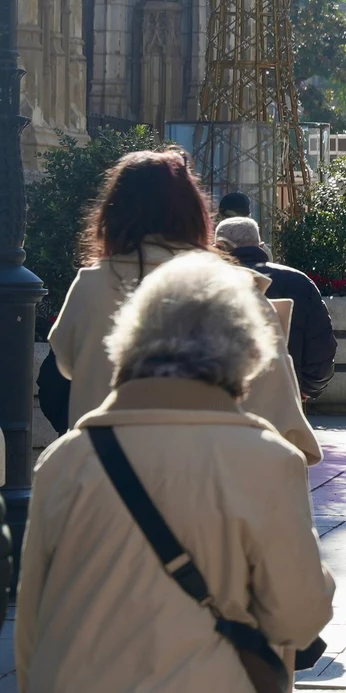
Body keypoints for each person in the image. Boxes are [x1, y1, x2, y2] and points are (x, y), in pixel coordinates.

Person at [15, 252, 334, 693]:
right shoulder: (266, 461)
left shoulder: (65, 461)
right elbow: (298, 619)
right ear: (246, 353)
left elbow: (31, 631)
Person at [49, 149, 320, 465]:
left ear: (113, 214)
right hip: (214, 483)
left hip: (105, 480)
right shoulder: (236, 290)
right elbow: (283, 419)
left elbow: (66, 364)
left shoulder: (90, 287)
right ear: (195, 212)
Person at [216, 216, 338, 402]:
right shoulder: (300, 282)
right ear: (260, 245)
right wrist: (306, 388)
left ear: (219, 247)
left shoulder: (211, 283)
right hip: (285, 396)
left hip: (224, 399)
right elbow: (321, 345)